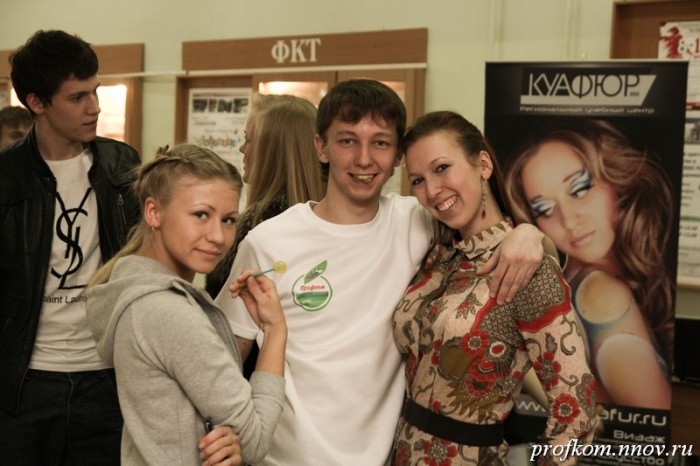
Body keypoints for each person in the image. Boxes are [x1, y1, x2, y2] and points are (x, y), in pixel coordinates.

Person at [215, 79, 546, 465]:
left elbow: (502, 240)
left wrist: (530, 235)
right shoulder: (269, 242)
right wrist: (230, 434)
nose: (364, 159)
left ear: (398, 156)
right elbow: (223, 357)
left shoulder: (418, 222)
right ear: (321, 147)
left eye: (381, 143)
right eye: (347, 141)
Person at [391, 111, 600, 465]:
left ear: (483, 165)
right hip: (400, 452)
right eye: (418, 180)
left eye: (442, 168)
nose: (432, 190)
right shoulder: (437, 255)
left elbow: (577, 413)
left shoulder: (526, 267)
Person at [85, 144, 287, 466]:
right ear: (154, 213)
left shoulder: (135, 289)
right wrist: (274, 330)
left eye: (228, 220)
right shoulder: (168, 312)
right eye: (201, 215)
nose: (218, 236)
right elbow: (255, 440)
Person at [0, 29, 140, 464]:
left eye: (95, 92)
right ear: (36, 102)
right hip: (24, 383)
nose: (94, 106)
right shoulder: (6, 177)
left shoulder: (122, 164)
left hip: (108, 378)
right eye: (77, 97)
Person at [505, 118, 673, 410]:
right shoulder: (602, 293)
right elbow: (649, 422)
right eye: (545, 209)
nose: (570, 220)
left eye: (580, 189)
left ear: (616, 179)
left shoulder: (576, 283)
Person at [206, 94, 325, 379]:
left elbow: (228, 341)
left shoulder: (260, 233)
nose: (242, 149)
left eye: (249, 140)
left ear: (272, 153)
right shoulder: (326, 222)